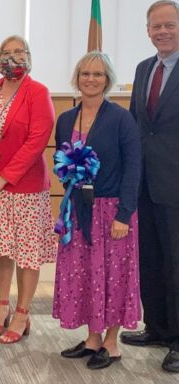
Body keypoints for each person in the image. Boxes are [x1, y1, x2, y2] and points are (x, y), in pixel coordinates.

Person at [52, 52, 141, 370]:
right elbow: (60, 162)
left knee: (114, 276)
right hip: (78, 210)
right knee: (87, 274)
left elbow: (133, 168)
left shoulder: (120, 118)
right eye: (85, 73)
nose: (91, 79)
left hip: (112, 210)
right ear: (77, 77)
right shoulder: (65, 119)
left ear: (108, 80)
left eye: (98, 74)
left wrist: (124, 214)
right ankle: (92, 339)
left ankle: (111, 343)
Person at [0, 35, 57, 344]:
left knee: (27, 253)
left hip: (24, 188)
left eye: (19, 52)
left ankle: (22, 313)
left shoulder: (38, 92)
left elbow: (37, 140)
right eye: (6, 52)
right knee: (1, 250)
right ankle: (0, 308)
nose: (13, 57)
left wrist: (3, 178)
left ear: (30, 56)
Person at [120, 0, 179, 373]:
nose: (163, 32)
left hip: (175, 183)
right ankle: (157, 327)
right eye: (156, 26)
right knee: (152, 259)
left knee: (177, 263)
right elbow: (136, 125)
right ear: (147, 31)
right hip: (143, 182)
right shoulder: (144, 69)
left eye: (170, 25)